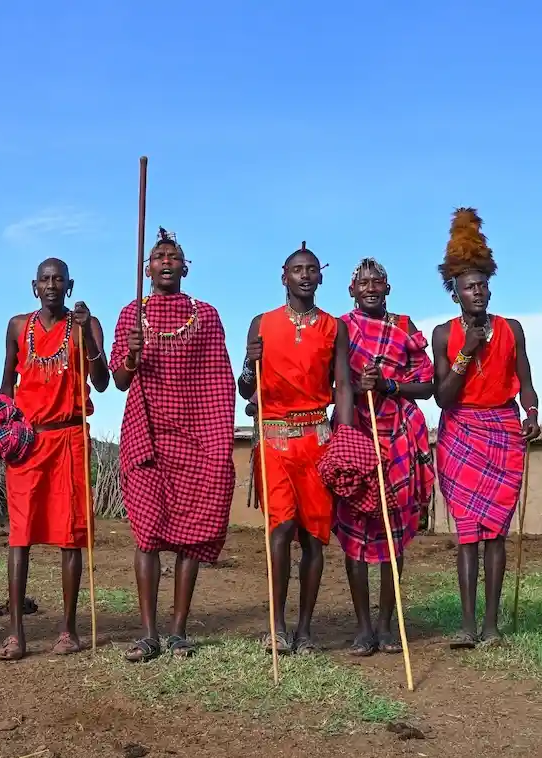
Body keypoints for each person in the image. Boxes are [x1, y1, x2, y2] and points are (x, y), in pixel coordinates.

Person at [109, 227, 236, 662]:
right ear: (146, 269)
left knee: (189, 537)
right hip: (146, 436)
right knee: (146, 534)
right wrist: (131, 355)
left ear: (185, 267)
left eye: (173, 256)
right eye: (158, 256)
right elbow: (120, 381)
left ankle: (179, 631)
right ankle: (148, 634)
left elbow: (219, 380)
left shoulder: (206, 314)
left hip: (197, 436)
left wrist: (218, 442)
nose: (166, 262)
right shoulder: (132, 314)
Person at [431, 208, 541, 649]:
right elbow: (442, 397)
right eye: (468, 287)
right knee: (467, 533)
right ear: (455, 294)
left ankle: (491, 626)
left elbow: (528, 385)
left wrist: (532, 415)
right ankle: (466, 623)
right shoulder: (444, 335)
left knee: (496, 529)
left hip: (502, 428)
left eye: (482, 285)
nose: (477, 292)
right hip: (460, 432)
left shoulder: (512, 330)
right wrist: (467, 351)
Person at [238, 243, 352, 655]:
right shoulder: (261, 323)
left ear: (320, 277)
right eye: (296, 270)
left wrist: (346, 436)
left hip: (317, 438)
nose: (304, 275)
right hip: (273, 436)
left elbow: (342, 385)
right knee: (281, 528)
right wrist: (252, 363)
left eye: (311, 269)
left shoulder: (334, 327)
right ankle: (277, 625)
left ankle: (305, 629)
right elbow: (246, 388)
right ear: (283, 277)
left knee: (314, 538)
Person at [0, 258, 110, 660]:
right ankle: (15, 632)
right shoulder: (16, 326)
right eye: (44, 279)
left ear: (69, 284)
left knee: (71, 534)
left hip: (69, 438)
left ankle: (68, 629)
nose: (51, 285)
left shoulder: (84, 325)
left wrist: (87, 336)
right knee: (19, 535)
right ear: (33, 286)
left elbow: (102, 382)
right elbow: (7, 383)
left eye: (58, 279)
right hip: (27, 442)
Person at [336, 258, 435, 656]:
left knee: (393, 534)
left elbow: (427, 385)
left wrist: (390, 384)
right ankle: (363, 628)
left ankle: (386, 625)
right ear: (352, 291)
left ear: (389, 288)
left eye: (378, 282)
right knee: (354, 529)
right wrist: (358, 387)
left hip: (398, 435)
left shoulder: (404, 328)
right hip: (356, 429)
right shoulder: (341, 327)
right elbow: (331, 381)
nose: (371, 288)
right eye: (364, 283)